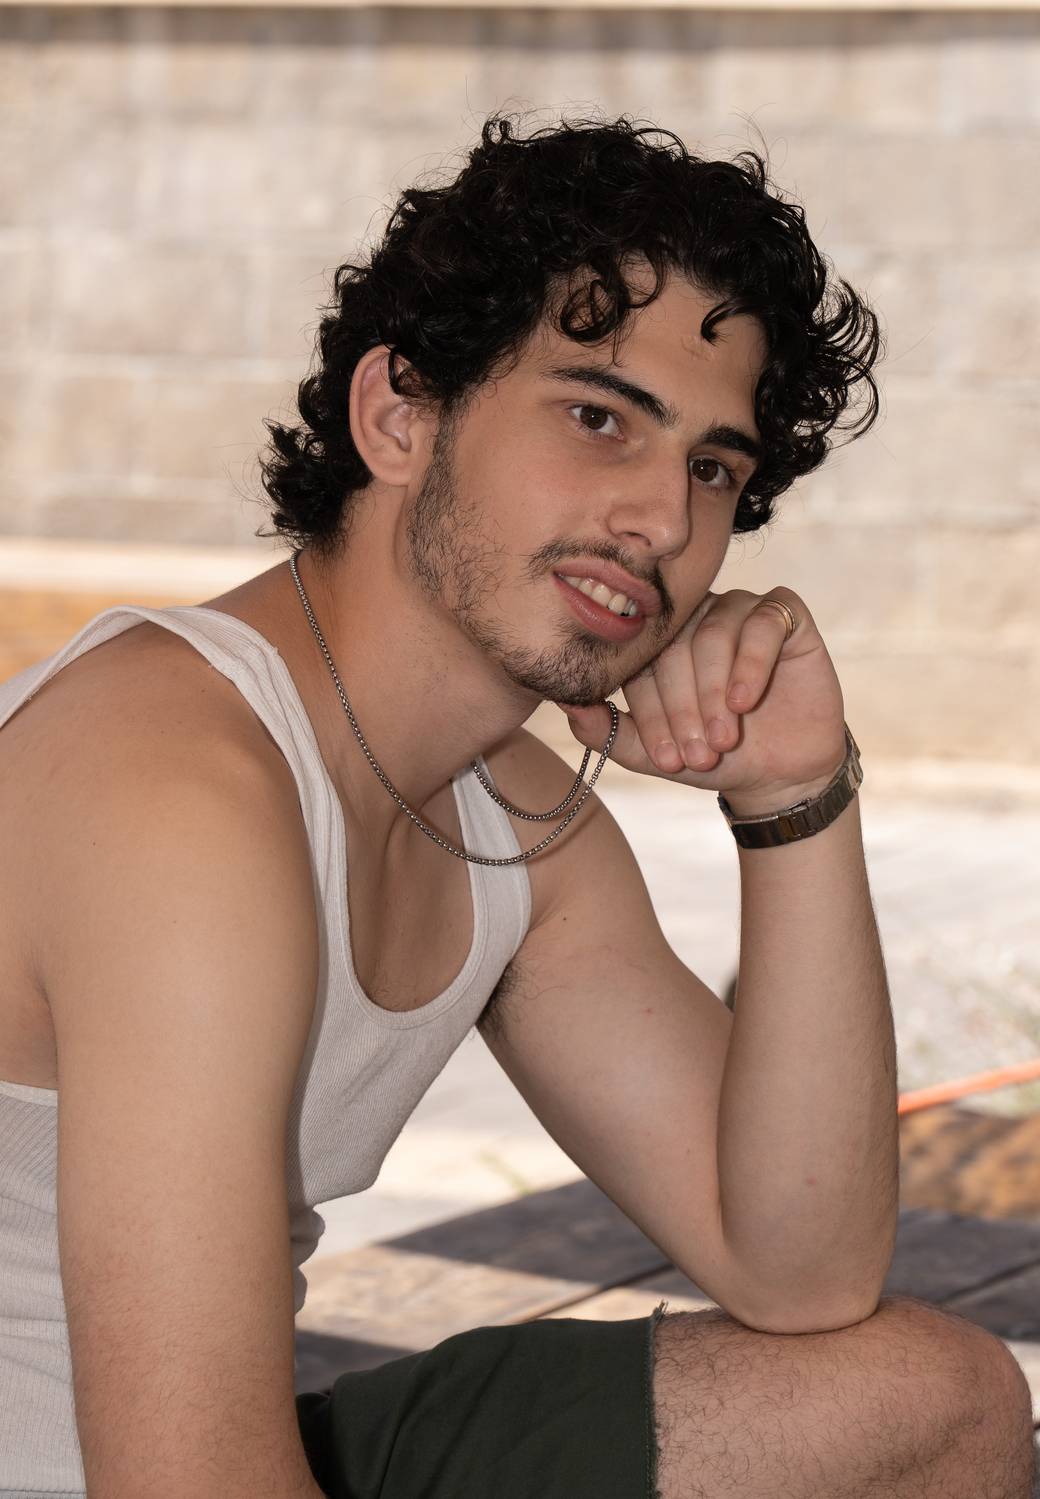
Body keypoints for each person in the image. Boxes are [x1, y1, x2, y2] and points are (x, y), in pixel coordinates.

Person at [0, 111, 1034, 1499]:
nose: (663, 520)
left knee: (934, 1406)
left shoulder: (513, 819)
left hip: (217, 1451)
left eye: (712, 468)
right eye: (599, 419)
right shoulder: (176, 789)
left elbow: (801, 1269)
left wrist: (795, 793)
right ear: (399, 415)